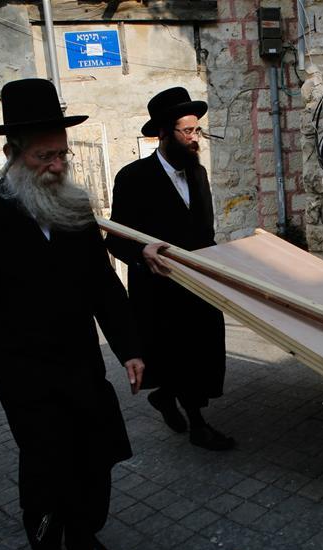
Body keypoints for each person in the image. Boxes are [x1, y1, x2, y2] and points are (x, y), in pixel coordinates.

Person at [0, 78, 143, 550]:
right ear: (12, 154)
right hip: (24, 374)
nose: (56, 166)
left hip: (81, 364)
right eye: (43, 156)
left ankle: (85, 542)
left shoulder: (73, 209)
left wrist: (130, 348)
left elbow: (104, 288)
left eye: (61, 155)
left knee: (95, 454)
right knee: (48, 464)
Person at [106, 87, 234, 451]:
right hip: (159, 291)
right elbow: (114, 239)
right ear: (162, 133)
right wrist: (141, 253)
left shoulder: (198, 174)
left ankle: (165, 398)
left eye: (198, 130)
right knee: (179, 356)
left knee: (202, 355)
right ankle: (198, 426)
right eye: (187, 131)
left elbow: (203, 231)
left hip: (200, 285)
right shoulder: (133, 178)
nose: (196, 139)